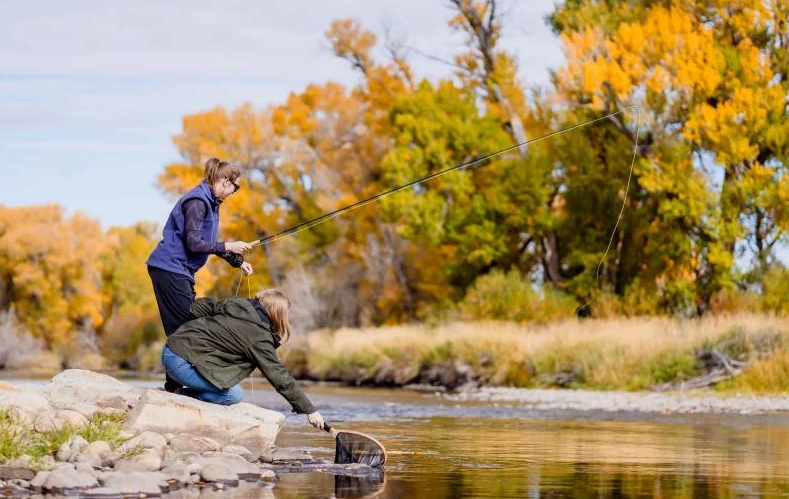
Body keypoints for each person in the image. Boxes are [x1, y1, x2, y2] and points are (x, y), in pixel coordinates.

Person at [146, 157, 253, 392]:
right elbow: (194, 243)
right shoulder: (197, 202)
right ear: (224, 180)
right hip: (169, 268)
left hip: (178, 270)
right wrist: (228, 246)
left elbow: (207, 243)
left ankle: (174, 386)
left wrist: (237, 261)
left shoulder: (211, 203)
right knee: (187, 327)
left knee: (183, 327)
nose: (235, 192)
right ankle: (174, 387)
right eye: (236, 186)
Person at [162, 289, 325, 429]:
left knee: (224, 382)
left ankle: (174, 387)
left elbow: (198, 308)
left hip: (170, 349)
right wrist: (309, 410)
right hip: (180, 364)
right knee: (233, 394)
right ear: (279, 314)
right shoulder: (259, 337)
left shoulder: (236, 303)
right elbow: (279, 376)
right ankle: (179, 394)